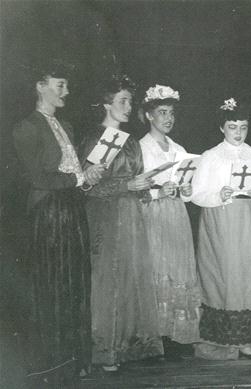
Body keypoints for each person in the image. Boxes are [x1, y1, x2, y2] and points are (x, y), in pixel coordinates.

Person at [12, 59, 104, 384]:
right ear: (40, 86)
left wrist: (88, 177)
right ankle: (53, 363)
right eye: (60, 84)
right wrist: (79, 178)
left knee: (74, 284)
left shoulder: (67, 126)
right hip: (48, 215)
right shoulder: (26, 128)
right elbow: (39, 178)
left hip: (72, 212)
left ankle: (74, 359)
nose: (66, 90)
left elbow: (74, 176)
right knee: (53, 285)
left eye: (66, 85)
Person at [81, 75, 163, 371]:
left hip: (131, 216)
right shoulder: (95, 139)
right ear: (106, 104)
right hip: (106, 216)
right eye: (122, 101)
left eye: (130, 101)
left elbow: (137, 181)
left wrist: (144, 186)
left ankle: (130, 346)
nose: (129, 107)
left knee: (132, 277)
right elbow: (87, 187)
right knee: (109, 280)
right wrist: (125, 186)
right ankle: (107, 350)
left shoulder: (130, 142)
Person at [187, 98, 251, 360]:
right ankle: (223, 339)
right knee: (225, 277)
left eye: (243, 127)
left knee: (250, 277)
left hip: (250, 224)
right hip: (221, 225)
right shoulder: (211, 156)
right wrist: (218, 193)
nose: (238, 133)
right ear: (221, 128)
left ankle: (246, 338)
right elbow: (197, 194)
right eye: (232, 127)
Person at [139, 84, 202, 355]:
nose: (168, 118)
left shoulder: (178, 148)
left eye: (171, 113)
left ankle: (178, 333)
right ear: (149, 116)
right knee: (158, 266)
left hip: (176, 213)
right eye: (162, 112)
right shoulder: (141, 147)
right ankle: (157, 334)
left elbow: (185, 184)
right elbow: (135, 188)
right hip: (153, 214)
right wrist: (156, 191)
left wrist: (187, 190)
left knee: (178, 267)